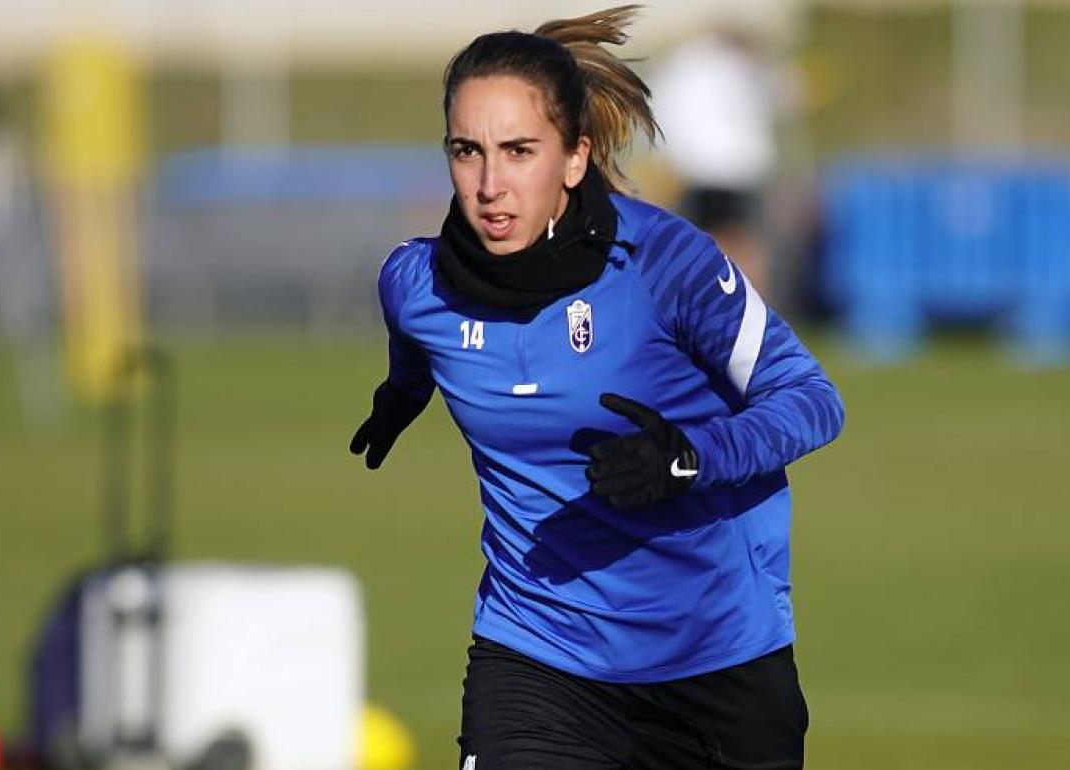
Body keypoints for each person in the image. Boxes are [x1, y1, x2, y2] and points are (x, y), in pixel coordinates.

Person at [349, 6, 844, 769]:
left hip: (716, 662)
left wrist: (691, 457)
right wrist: (403, 390)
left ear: (576, 158)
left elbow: (811, 398)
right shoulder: (415, 283)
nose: (489, 185)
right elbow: (417, 337)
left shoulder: (664, 262)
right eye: (466, 151)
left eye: (519, 151)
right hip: (536, 655)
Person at [648, 23, 784, 293]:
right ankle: (745, 304)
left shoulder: (683, 63)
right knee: (740, 242)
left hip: (700, 168)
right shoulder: (738, 65)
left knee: (709, 244)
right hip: (736, 167)